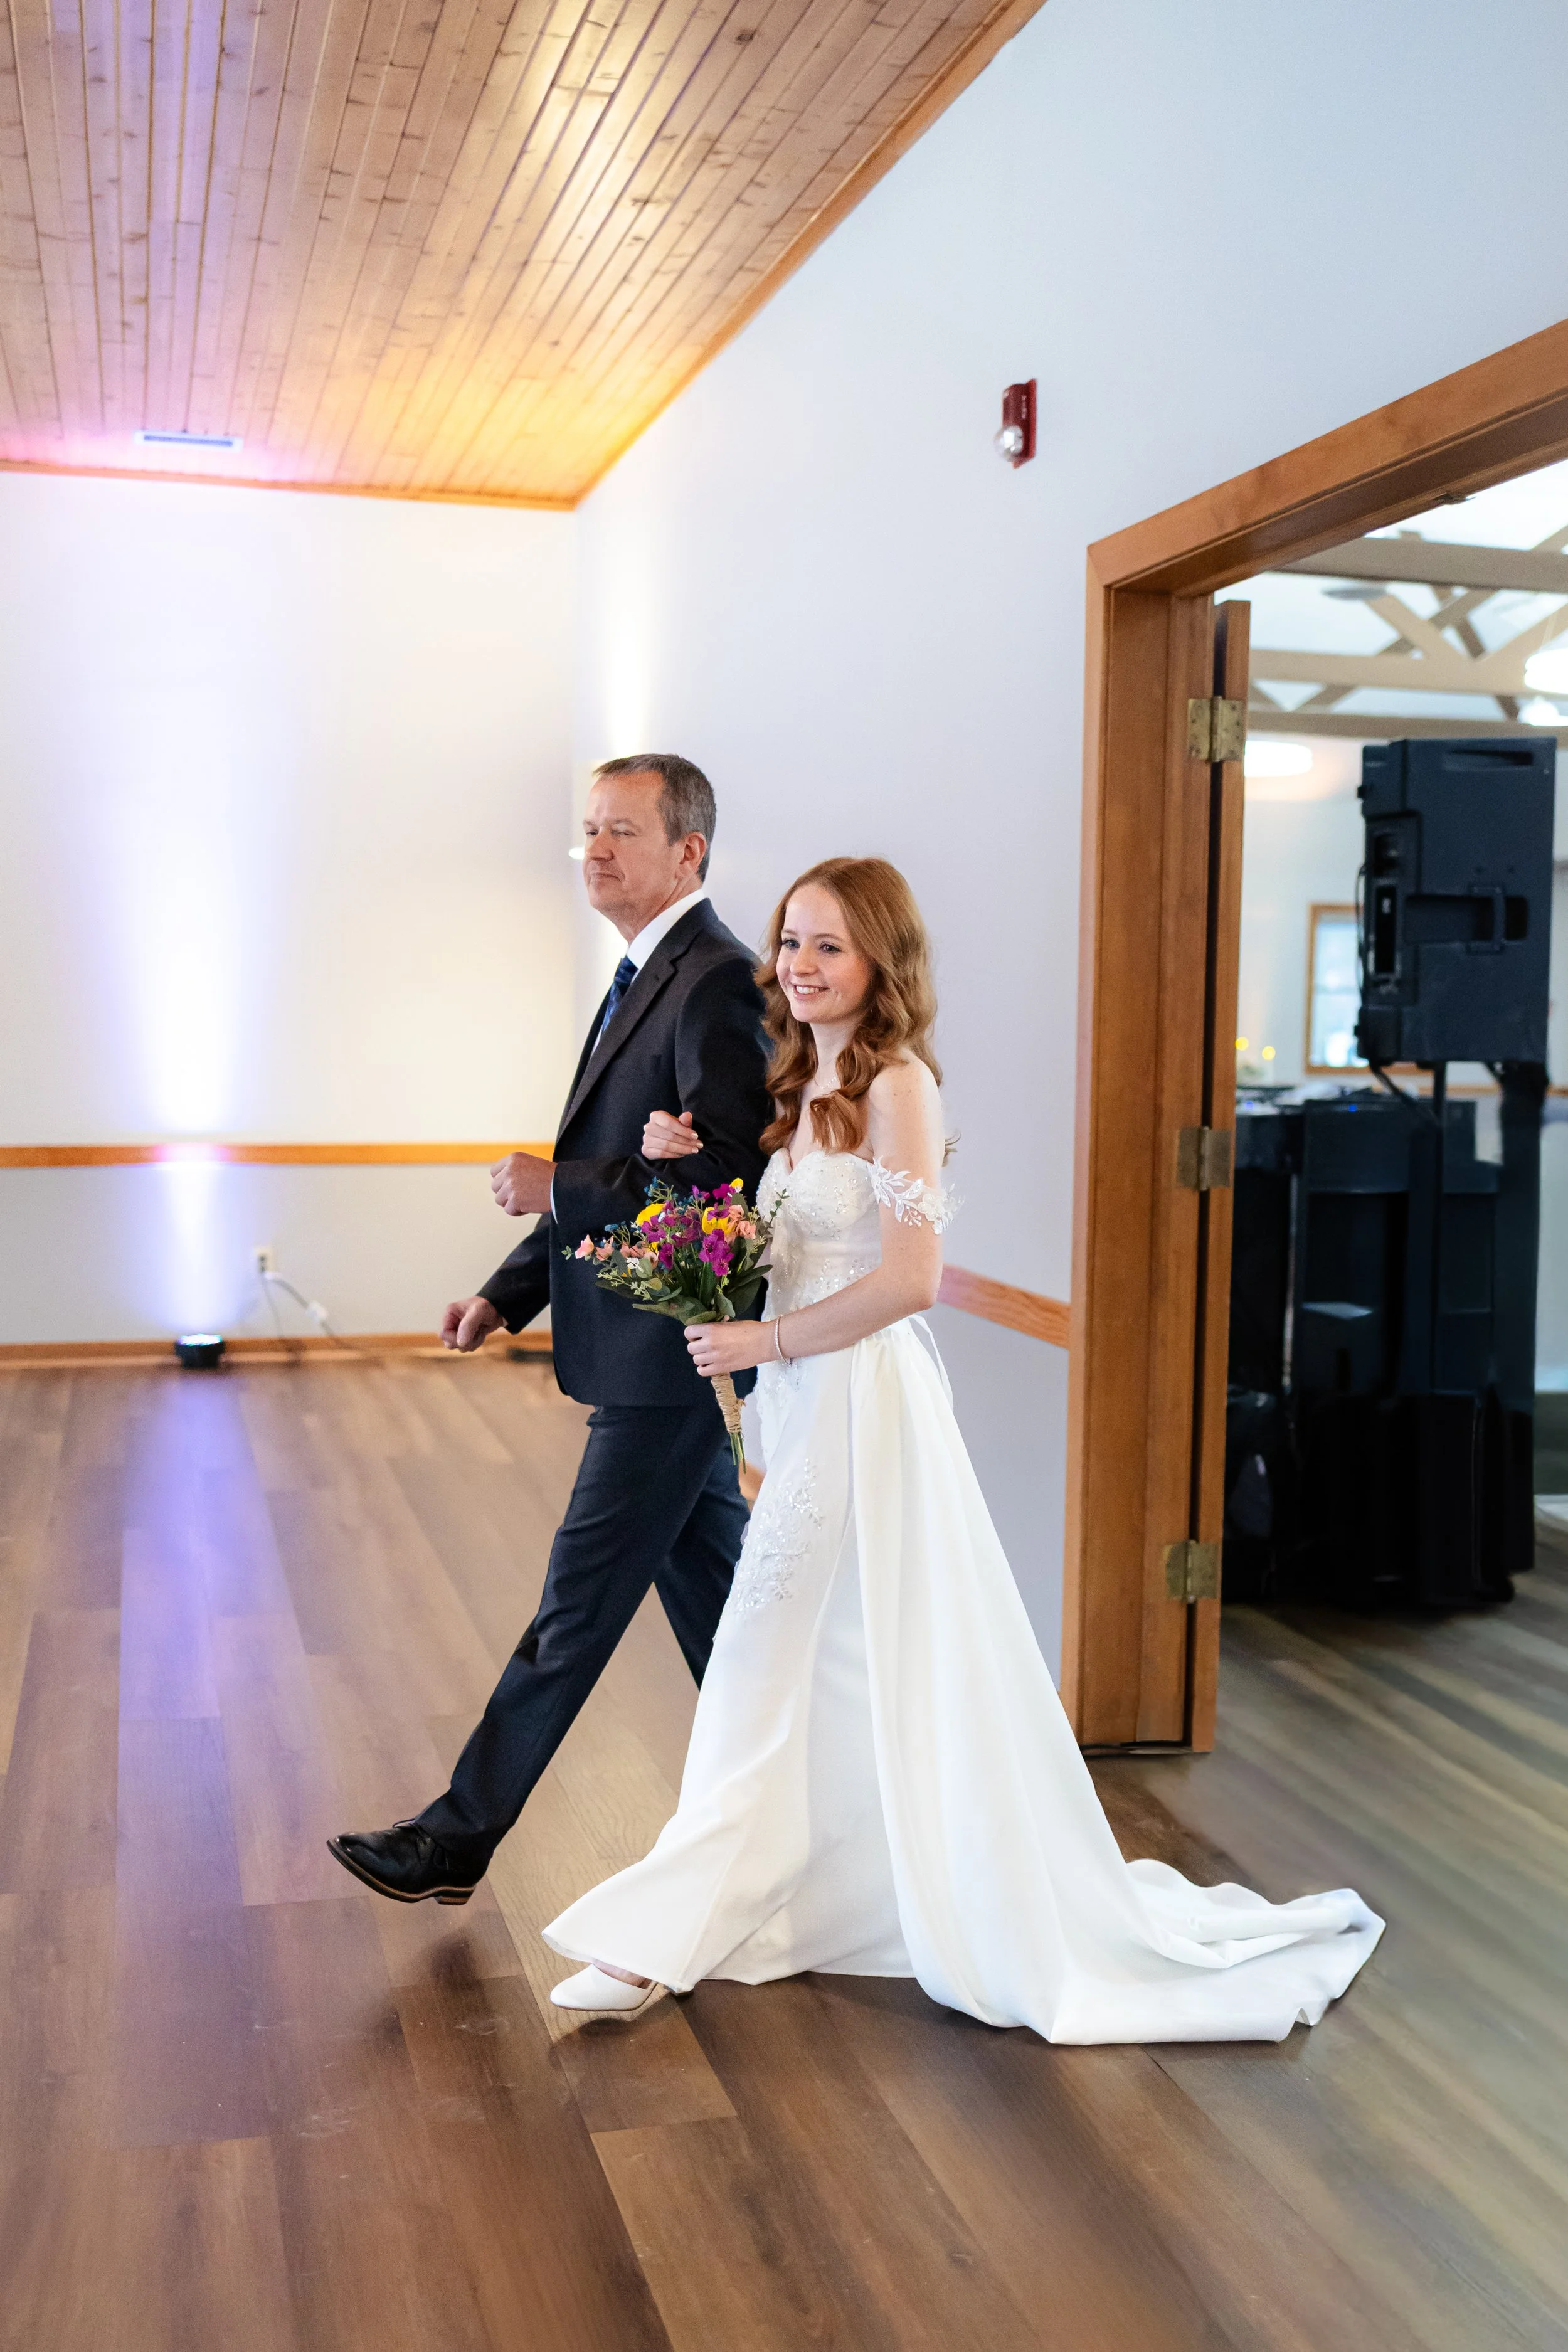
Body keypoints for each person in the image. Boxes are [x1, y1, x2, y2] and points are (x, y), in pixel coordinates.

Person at [542, 857, 1384, 2038]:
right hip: (800, 1402)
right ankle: (802, 1889)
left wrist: (763, 1341)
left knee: (755, 1659)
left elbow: (911, 1279)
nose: (798, 964)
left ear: (883, 958)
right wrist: (689, 1180)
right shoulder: (805, 1079)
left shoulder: (898, 1084)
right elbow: (784, 1244)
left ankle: (655, 1941)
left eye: (828, 945)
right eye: (790, 942)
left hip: (862, 1404)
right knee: (826, 1663)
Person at [327, 755, 772, 1907]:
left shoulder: (716, 978)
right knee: (735, 1624)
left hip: (669, 1362)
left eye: (622, 830)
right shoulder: (643, 973)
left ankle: (456, 1836)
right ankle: (811, 1807)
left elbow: (721, 1177)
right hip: (647, 1349)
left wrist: (556, 1182)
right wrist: (504, 1292)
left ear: (691, 852)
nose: (596, 851)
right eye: (588, 831)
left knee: (574, 1611)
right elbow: (616, 1165)